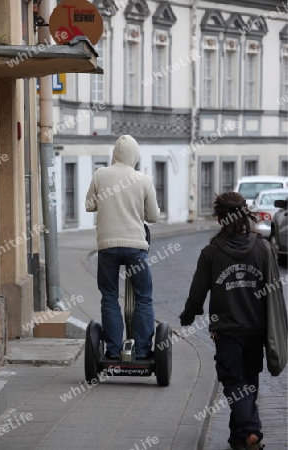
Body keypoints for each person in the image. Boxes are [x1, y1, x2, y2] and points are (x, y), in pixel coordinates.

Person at [179, 191, 271, 450]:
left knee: (234, 381)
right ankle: (238, 439)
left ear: (220, 218)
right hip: (256, 328)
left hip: (227, 331)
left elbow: (198, 291)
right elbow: (273, 291)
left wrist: (189, 315)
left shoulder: (211, 252)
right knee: (249, 380)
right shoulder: (263, 248)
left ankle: (251, 430)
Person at [85, 135, 160, 360]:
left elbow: (89, 205)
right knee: (143, 296)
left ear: (114, 155)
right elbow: (153, 216)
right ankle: (143, 351)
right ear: (135, 157)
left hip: (107, 247)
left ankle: (113, 351)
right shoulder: (143, 179)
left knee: (109, 297)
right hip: (135, 247)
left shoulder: (100, 175)